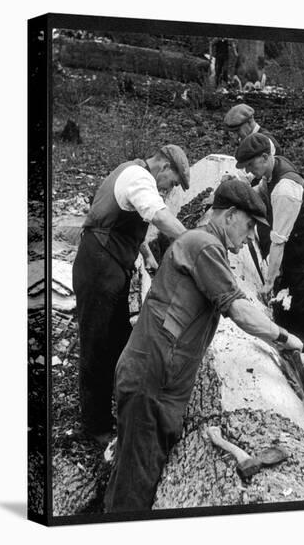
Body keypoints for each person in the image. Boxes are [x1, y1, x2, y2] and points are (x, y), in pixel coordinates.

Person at [104, 178, 303, 512]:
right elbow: (239, 311)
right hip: (152, 376)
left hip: (165, 378)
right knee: (134, 484)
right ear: (228, 216)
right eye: (250, 224)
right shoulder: (204, 246)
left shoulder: (208, 247)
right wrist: (285, 338)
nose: (252, 235)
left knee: (143, 466)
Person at [72, 145, 190, 445]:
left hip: (111, 264)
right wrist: (195, 242)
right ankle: (95, 425)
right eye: (173, 182)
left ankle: (116, 402)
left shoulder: (131, 171)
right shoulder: (139, 177)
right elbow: (157, 215)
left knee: (118, 336)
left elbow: (121, 219)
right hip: (99, 265)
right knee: (97, 344)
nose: (169, 189)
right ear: (163, 167)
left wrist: (147, 254)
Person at [235, 133, 304, 353]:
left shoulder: (285, 189)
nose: (248, 170)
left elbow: (278, 241)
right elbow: (259, 192)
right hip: (294, 242)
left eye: (251, 164)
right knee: (290, 288)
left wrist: (268, 282)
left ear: (266, 157)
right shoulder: (271, 172)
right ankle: (290, 337)